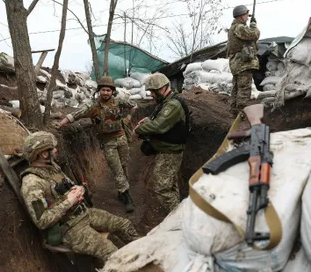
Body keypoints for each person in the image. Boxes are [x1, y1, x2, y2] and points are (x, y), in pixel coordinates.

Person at [20, 131, 140, 261]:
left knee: (124, 225)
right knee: (111, 252)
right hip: (69, 228)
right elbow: (42, 221)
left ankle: (146, 253)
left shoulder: (52, 167)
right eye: (53, 148)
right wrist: (69, 201)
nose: (56, 150)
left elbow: (67, 187)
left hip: (82, 213)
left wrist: (80, 189)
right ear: (43, 154)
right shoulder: (32, 183)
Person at [58, 76, 136, 213]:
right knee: (117, 169)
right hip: (107, 143)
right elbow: (76, 114)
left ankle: (123, 189)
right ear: (99, 91)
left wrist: (128, 118)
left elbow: (133, 106)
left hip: (121, 138)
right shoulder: (93, 106)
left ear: (112, 91)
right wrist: (60, 124)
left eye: (108, 90)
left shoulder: (119, 101)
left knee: (124, 166)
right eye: (103, 90)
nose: (106, 93)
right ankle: (125, 195)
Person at [133, 73, 189, 214]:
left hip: (170, 153)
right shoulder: (167, 102)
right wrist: (147, 119)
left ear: (164, 88)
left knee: (161, 188)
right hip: (167, 150)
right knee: (170, 186)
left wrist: (138, 130)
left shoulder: (173, 105)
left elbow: (158, 126)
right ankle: (177, 211)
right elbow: (160, 118)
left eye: (154, 91)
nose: (151, 95)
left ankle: (177, 218)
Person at [227, 4, 260, 117]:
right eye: (246, 15)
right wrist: (254, 26)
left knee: (236, 88)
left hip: (237, 64)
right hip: (243, 64)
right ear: (241, 16)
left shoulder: (234, 28)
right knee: (244, 89)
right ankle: (241, 114)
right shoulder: (239, 27)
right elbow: (254, 35)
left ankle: (234, 113)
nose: (247, 17)